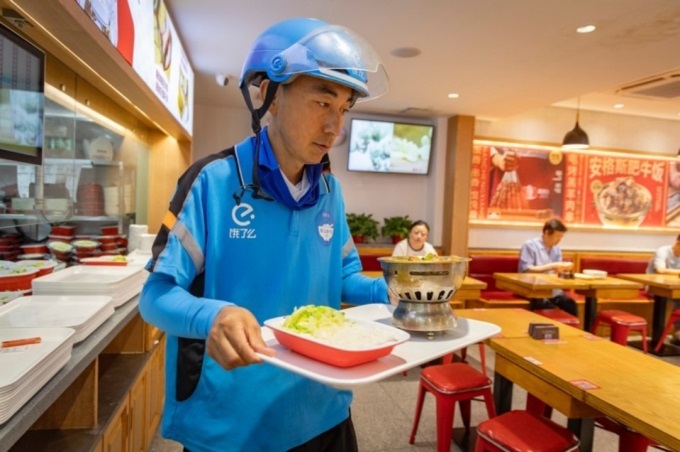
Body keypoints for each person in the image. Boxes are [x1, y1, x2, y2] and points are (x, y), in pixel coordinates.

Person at [139, 17, 390, 452]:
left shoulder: (329, 191)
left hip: (324, 411)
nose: (335, 127)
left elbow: (345, 279)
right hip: (233, 425)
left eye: (344, 109)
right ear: (268, 95)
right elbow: (155, 296)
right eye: (322, 102)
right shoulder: (212, 182)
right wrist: (212, 316)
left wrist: (399, 289)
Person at [518, 218, 578, 315]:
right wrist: (551, 266)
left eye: (561, 237)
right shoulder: (530, 245)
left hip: (551, 288)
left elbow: (557, 271)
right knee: (546, 306)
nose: (559, 240)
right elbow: (525, 269)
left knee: (570, 304)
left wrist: (564, 268)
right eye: (557, 236)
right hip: (532, 288)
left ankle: (575, 326)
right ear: (546, 233)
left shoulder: (556, 248)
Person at [647, 234, 680, 344]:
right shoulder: (662, 251)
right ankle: (674, 334)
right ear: (678, 243)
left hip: (674, 288)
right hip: (654, 287)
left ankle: (677, 335)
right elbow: (660, 269)